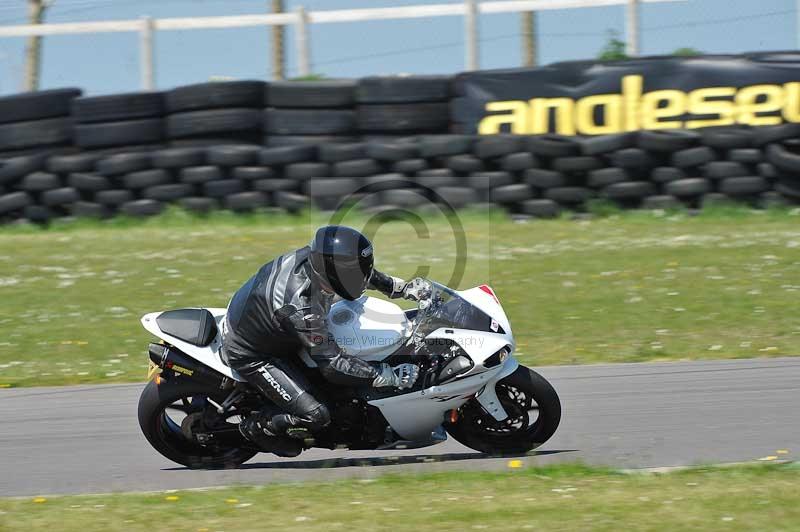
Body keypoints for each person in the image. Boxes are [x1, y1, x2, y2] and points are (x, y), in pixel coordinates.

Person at [222, 225, 430, 457]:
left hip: (266, 322)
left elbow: (358, 271)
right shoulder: (302, 306)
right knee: (317, 415)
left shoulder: (319, 261)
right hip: (253, 353)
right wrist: (385, 374)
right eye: (353, 274)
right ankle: (257, 428)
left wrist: (398, 288)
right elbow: (332, 365)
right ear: (333, 273)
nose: (361, 279)